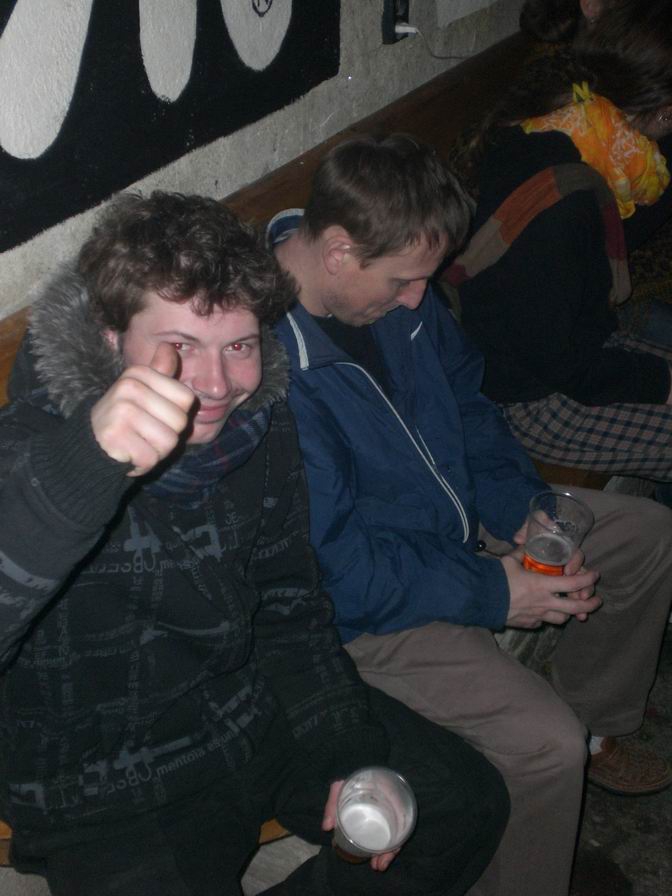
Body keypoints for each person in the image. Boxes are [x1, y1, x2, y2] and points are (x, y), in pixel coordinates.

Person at [0, 191, 510, 896]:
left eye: (239, 345)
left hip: (248, 711)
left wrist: (343, 745)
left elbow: (290, 606)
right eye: (181, 346)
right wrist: (86, 464)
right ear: (111, 337)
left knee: (461, 803)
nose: (217, 385)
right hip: (102, 782)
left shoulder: (259, 428)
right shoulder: (30, 448)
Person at [271, 134, 672, 896]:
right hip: (371, 610)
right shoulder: (270, 370)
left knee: (645, 536)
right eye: (405, 281)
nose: (419, 299)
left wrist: (518, 509)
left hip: (457, 522)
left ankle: (595, 726)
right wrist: (495, 591)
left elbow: (470, 406)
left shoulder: (395, 290)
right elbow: (341, 572)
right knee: (543, 746)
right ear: (339, 251)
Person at [448, 0, 672, 489]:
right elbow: (559, 360)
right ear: (663, 110)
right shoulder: (564, 190)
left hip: (578, 349)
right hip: (530, 399)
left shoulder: (576, 129)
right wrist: (661, 383)